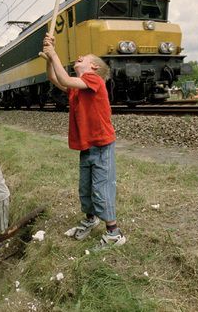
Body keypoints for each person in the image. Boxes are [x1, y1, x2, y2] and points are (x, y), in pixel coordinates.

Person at [42, 33, 126, 247]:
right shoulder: (78, 88)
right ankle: (90, 219)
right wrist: (50, 60)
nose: (78, 56)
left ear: (94, 67)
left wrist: (54, 54)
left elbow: (65, 79)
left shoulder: (94, 80)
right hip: (87, 146)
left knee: (101, 188)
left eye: (84, 58)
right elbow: (55, 78)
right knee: (85, 187)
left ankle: (114, 233)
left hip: (101, 145)